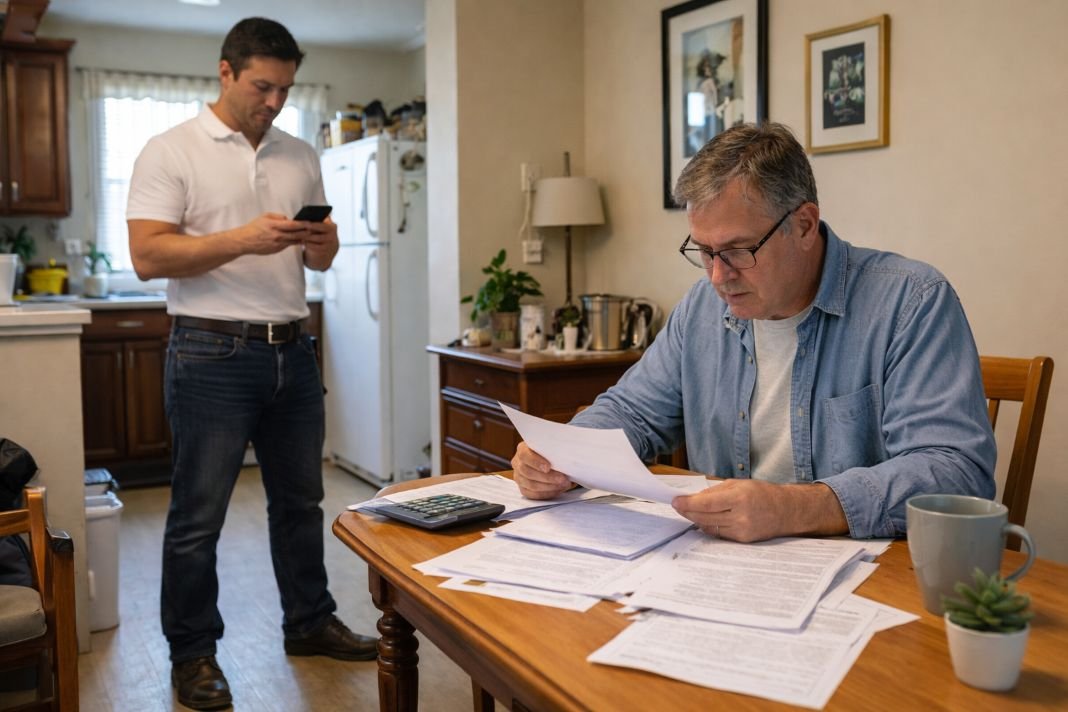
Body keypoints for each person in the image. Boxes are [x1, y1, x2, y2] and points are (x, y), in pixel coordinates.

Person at [512, 122, 995, 544]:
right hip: (719, 569)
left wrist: (793, 507)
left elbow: (955, 472)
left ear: (804, 225)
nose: (719, 277)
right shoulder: (703, 307)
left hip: (870, 578)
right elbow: (633, 410)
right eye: (704, 251)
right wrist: (561, 455)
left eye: (740, 250)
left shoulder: (910, 302)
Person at [127, 17, 376, 711]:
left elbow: (318, 259)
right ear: (226, 72)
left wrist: (322, 242)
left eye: (285, 90)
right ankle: (193, 654)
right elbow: (148, 256)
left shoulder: (299, 153)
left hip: (292, 351)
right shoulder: (170, 150)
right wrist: (243, 239)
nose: (273, 102)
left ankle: (309, 621)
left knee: (301, 504)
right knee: (198, 516)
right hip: (209, 352)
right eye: (262, 87)